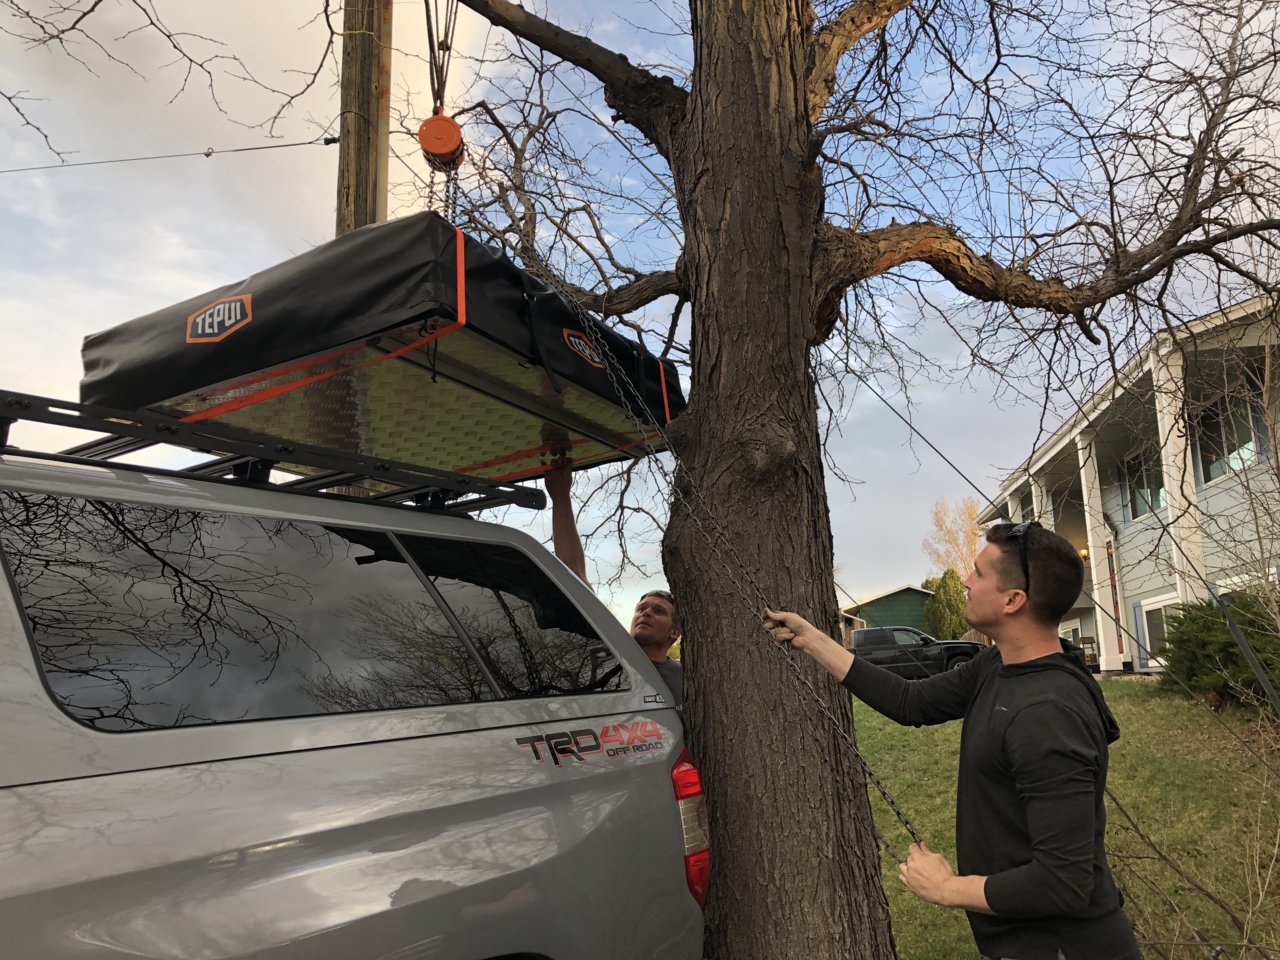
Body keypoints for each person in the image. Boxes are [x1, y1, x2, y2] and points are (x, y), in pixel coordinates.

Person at [762, 521, 1141, 960]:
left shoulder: (1048, 714)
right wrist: (812, 640)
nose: (965, 580)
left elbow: (1063, 883)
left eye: (979, 573)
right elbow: (911, 702)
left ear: (1013, 600)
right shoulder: (997, 664)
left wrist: (947, 888)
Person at [544, 462, 684, 704]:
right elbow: (573, 575)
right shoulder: (612, 658)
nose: (646, 613)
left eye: (658, 611)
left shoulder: (688, 676)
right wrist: (560, 497)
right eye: (642, 609)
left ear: (675, 631)